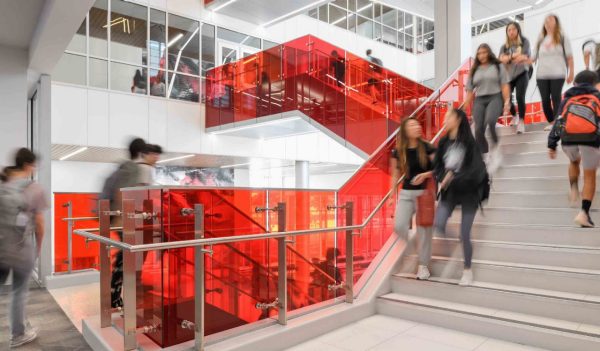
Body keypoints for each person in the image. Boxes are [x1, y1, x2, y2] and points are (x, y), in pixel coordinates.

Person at [433, 109, 488, 286]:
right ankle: (454, 249)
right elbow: (438, 167)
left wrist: (453, 177)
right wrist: (443, 177)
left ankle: (467, 269)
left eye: (448, 117)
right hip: (450, 191)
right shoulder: (443, 143)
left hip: (469, 192)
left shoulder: (469, 142)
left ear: (457, 120)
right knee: (439, 224)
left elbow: (477, 170)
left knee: (464, 233)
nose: (445, 120)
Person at [0, 148, 48, 347]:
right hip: (21, 248)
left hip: (1, 246)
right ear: (28, 165)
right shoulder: (34, 188)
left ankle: (20, 327)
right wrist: (38, 249)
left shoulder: (3, 185)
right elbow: (39, 224)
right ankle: (18, 334)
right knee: (19, 291)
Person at [548, 70, 600, 227]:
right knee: (590, 175)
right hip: (590, 139)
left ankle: (573, 188)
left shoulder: (567, 99)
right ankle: (584, 213)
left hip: (568, 138)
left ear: (575, 84)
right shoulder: (597, 97)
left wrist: (552, 143)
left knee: (574, 161)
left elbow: (558, 120)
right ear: (594, 84)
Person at [100, 137, 146, 308]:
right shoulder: (133, 169)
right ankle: (114, 293)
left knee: (126, 254)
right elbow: (122, 193)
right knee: (127, 255)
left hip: (117, 217)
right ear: (142, 153)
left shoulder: (123, 166)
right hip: (122, 218)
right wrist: (125, 217)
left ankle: (115, 292)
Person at [391, 118, 436, 280]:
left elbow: (439, 168)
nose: (416, 127)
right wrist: (391, 195)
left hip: (423, 195)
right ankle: (412, 249)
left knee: (425, 232)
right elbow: (395, 173)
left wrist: (425, 174)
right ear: (405, 130)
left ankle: (423, 266)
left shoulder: (428, 147)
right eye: (412, 125)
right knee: (399, 226)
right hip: (405, 193)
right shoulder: (398, 151)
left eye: (417, 124)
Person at [463, 43, 511, 174]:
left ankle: (496, 151)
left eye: (484, 52)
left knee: (490, 121)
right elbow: (469, 90)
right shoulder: (474, 70)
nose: (482, 55)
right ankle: (485, 155)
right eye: (479, 53)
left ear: (489, 53)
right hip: (479, 100)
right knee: (478, 129)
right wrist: (465, 105)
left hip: (495, 97)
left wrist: (507, 101)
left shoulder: (497, 66)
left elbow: (505, 86)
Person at [530, 14, 574, 131]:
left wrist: (571, 73)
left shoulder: (562, 37)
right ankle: (551, 121)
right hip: (542, 74)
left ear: (556, 23)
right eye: (546, 21)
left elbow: (569, 57)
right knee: (544, 100)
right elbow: (533, 57)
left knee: (556, 97)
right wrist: (521, 59)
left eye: (551, 20)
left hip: (558, 73)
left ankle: (557, 123)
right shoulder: (540, 38)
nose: (548, 22)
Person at [499, 21, 531, 134]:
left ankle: (521, 121)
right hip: (508, 76)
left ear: (518, 30)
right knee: (505, 98)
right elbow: (501, 60)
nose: (511, 32)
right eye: (509, 30)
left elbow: (524, 57)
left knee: (520, 97)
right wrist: (514, 56)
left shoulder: (524, 42)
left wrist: (508, 58)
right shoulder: (504, 46)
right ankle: (514, 115)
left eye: (513, 29)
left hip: (522, 73)